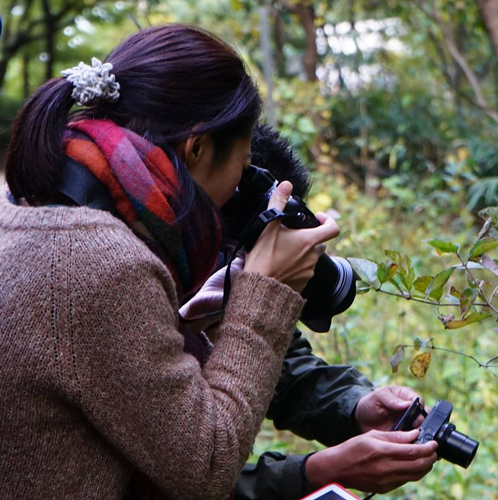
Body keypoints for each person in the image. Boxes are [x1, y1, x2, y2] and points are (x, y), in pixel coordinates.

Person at [0, 24, 339, 500]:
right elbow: (206, 467)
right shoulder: (103, 266)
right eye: (242, 166)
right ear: (197, 148)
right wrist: (266, 290)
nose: (241, 186)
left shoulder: (27, 207)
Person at [180, 125, 439, 500]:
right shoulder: (132, 281)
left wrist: (355, 407)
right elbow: (187, 476)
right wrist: (317, 472)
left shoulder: (208, 273)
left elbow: (280, 366)